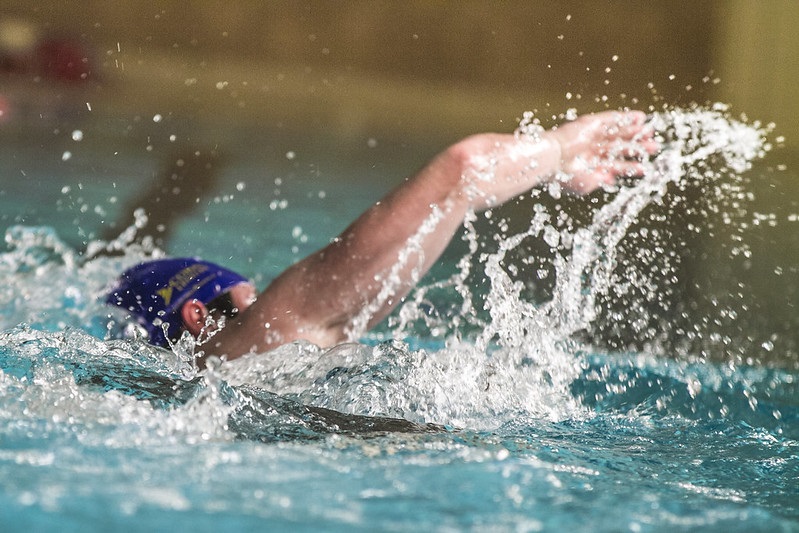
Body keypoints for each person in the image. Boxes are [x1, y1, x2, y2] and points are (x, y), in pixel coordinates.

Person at [106, 110, 659, 365]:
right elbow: (460, 172)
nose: (267, 296)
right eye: (249, 295)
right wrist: (563, 149)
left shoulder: (210, 374)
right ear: (198, 316)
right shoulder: (268, 334)